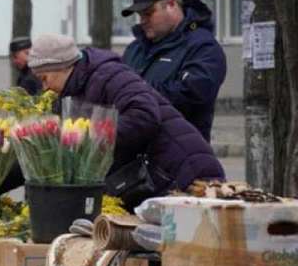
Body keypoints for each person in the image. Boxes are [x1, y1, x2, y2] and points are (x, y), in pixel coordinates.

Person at [28, 34, 225, 198]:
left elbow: (144, 117)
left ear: (63, 66)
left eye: (44, 78)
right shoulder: (70, 92)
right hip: (158, 180)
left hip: (184, 174)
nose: (45, 87)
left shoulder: (109, 75)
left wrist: (88, 136)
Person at [121, 0, 227, 142]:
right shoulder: (135, 49)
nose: (143, 21)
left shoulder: (203, 47)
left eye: (148, 13)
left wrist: (133, 91)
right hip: (134, 152)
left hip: (182, 152)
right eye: (140, 15)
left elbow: (192, 96)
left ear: (171, 5)